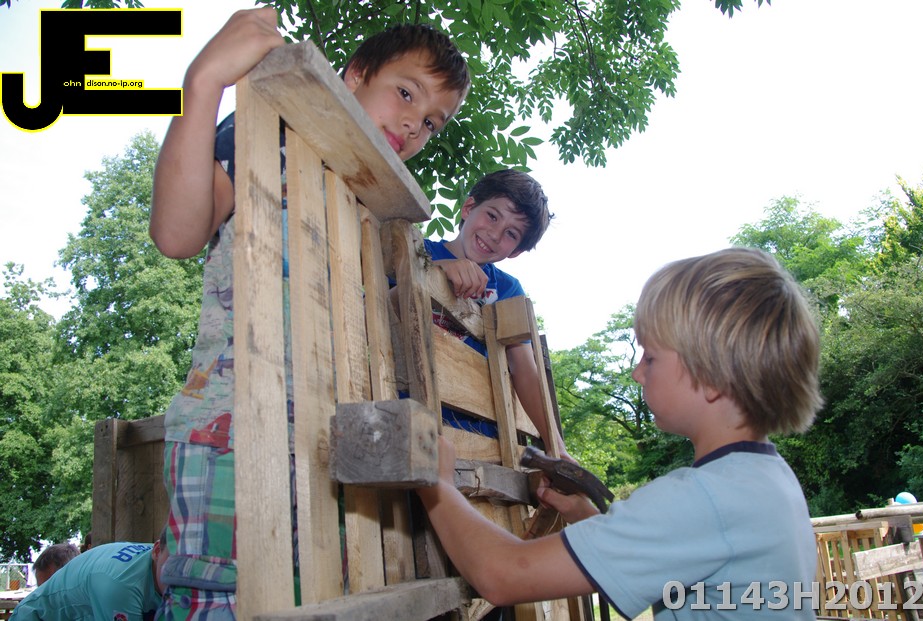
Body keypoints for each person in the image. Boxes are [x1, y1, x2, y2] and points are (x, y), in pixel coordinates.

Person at [149, 7, 469, 618]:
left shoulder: (369, 208)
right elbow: (176, 233)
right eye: (406, 93)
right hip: (235, 438)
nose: (414, 123)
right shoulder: (272, 130)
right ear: (355, 75)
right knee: (222, 601)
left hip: (332, 454)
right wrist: (204, 81)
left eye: (432, 121)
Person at [416, 247, 824, 619]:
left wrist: (437, 483)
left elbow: (503, 576)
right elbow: (662, 558)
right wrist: (584, 515)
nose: (637, 372)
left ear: (714, 376)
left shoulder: (703, 499)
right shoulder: (766, 480)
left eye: (651, 357)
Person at [424, 169, 570, 459]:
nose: (494, 234)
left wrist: (557, 447)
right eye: (492, 216)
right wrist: (433, 272)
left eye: (511, 234)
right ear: (468, 208)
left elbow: (524, 369)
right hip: (416, 417)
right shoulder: (417, 250)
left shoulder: (506, 289)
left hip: (483, 440)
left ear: (515, 251)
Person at [12, 531, 168, 620]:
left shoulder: (163, 557)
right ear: (156, 550)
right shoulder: (121, 585)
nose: (179, 575)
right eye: (175, 563)